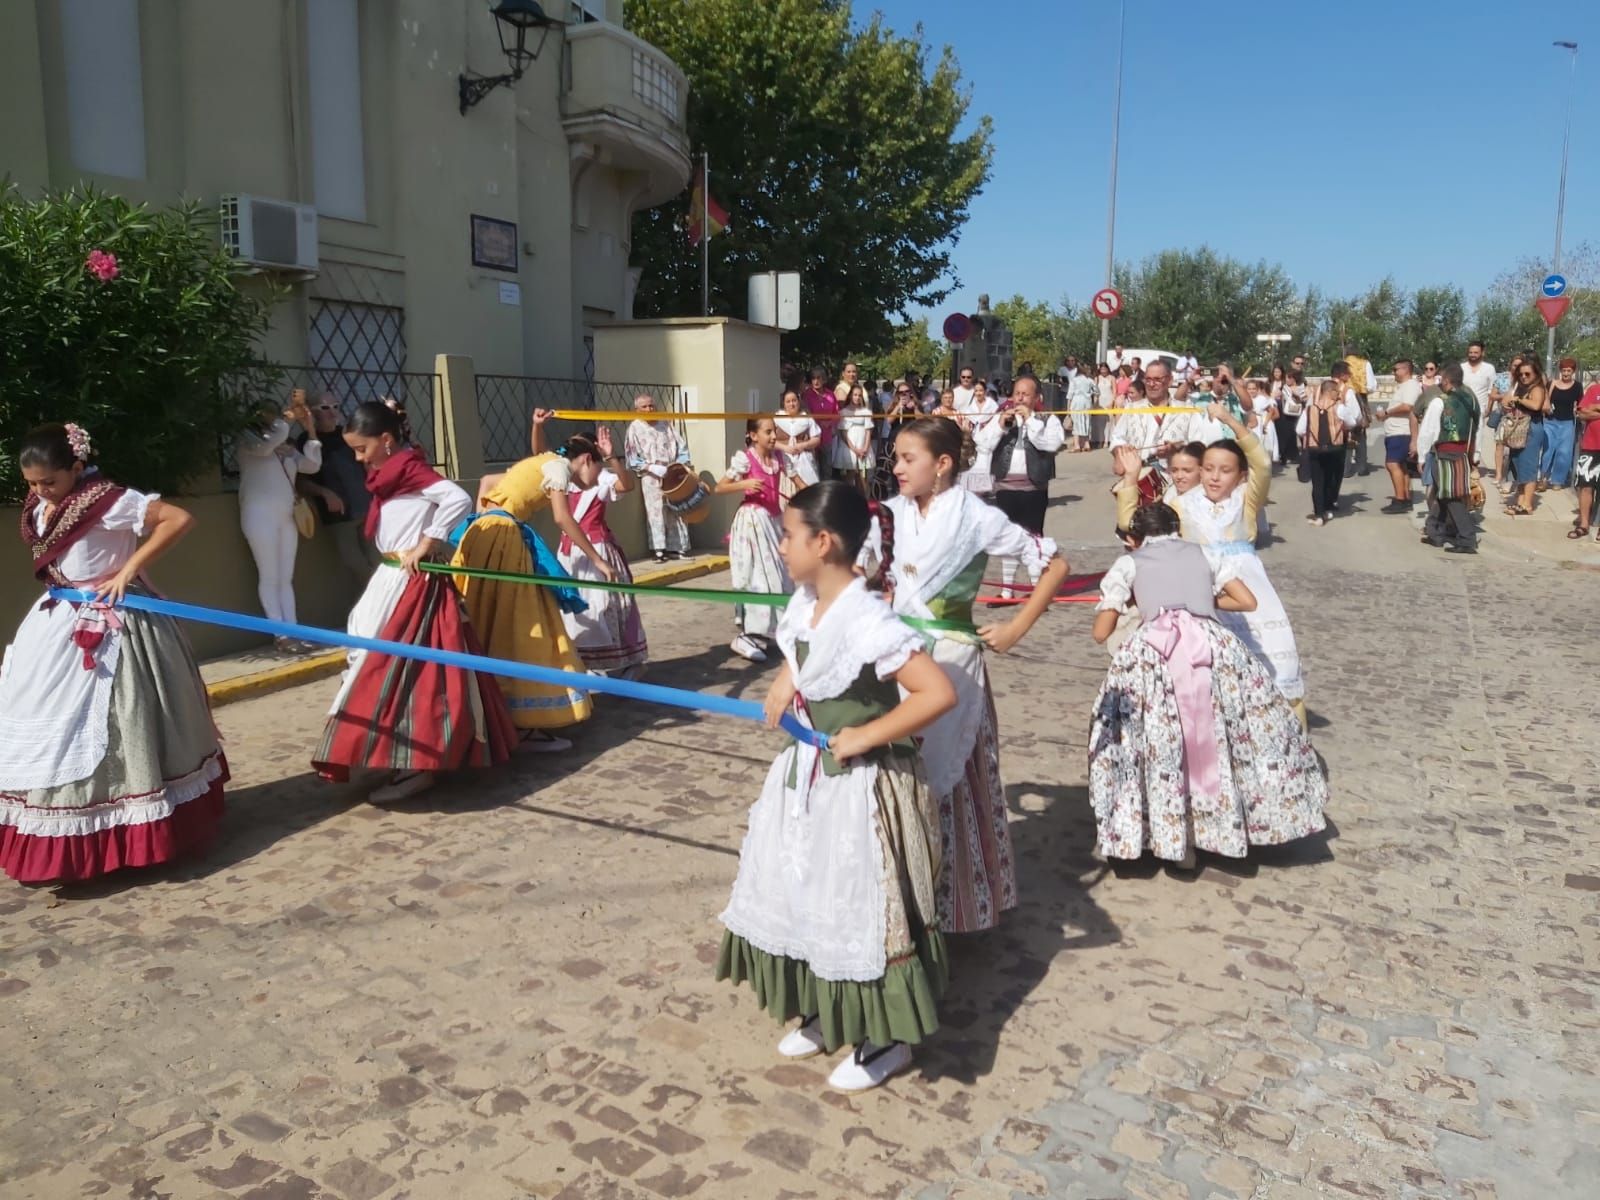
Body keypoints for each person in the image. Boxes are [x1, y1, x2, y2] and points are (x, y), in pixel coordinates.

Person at [716, 481, 956, 1093]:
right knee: (808, 888)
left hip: (863, 786)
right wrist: (780, 683)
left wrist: (867, 733)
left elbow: (936, 692)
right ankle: (828, 1007)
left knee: (862, 902)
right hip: (810, 778)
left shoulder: (867, 618)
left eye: (789, 535)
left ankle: (888, 1035)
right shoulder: (806, 601)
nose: (780, 545)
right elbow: (803, 654)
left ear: (822, 543)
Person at [0, 423, 226, 883]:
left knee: (123, 720)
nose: (41, 491)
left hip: (114, 623)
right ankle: (60, 837)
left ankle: (131, 833)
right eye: (32, 484)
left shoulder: (109, 500)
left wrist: (129, 569)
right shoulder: (44, 505)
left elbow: (177, 519)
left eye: (50, 481)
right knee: (44, 717)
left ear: (77, 468)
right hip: (58, 619)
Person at [880, 417, 1070, 933]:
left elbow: (1054, 565)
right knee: (893, 770)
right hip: (892, 658)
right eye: (895, 457)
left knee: (945, 774)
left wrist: (1016, 627)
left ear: (942, 465)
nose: (896, 467)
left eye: (907, 458)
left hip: (952, 660)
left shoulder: (978, 518)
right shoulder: (890, 514)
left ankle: (951, 904)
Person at [1088, 503, 1326, 868]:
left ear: (1136, 537)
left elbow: (1100, 632)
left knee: (1162, 743)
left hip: (1155, 654)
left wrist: (1137, 603)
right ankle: (1224, 827)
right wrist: (1199, 600)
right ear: (1177, 528)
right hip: (1211, 647)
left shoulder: (1130, 564)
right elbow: (1246, 600)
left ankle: (1174, 837)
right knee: (1224, 735)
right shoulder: (1206, 554)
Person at [314, 401, 517, 803]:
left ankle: (416, 764)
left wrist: (427, 542)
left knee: (410, 671)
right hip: (391, 577)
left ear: (386, 441)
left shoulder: (412, 470)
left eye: (362, 449)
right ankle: (391, 754)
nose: (358, 458)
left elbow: (457, 499)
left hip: (414, 583)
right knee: (372, 658)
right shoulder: (392, 474)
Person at [451, 408, 601, 747]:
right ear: (587, 459)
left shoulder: (544, 462)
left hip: (482, 533)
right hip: (504, 539)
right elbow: (563, 518)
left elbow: (488, 483)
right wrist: (597, 559)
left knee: (482, 618)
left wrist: (481, 521)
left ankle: (487, 710)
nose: (597, 476)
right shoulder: (559, 469)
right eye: (600, 466)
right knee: (523, 625)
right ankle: (524, 718)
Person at [1175, 404, 1307, 725]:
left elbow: (1261, 461)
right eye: (1207, 468)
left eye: (1225, 470)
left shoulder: (1246, 499)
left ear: (1241, 475)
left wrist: (1229, 420)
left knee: (1275, 665)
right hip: (1203, 594)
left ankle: (1289, 740)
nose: (1214, 477)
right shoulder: (1180, 502)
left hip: (1249, 592)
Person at [554, 428, 648, 678]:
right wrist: (537, 427)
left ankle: (623, 660)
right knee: (576, 609)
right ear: (586, 458)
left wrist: (612, 457)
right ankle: (584, 662)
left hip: (597, 548)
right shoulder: (562, 480)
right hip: (570, 554)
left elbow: (626, 485)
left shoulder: (602, 479)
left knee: (606, 606)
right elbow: (539, 456)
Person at [237, 389, 321, 647]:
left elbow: (312, 465)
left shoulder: (282, 446)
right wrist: (288, 421)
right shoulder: (248, 441)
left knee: (285, 578)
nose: (275, 421)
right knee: (269, 576)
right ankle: (280, 633)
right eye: (271, 417)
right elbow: (264, 448)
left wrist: (310, 430)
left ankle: (293, 630)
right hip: (258, 516)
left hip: (286, 518)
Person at [715, 417, 802, 662]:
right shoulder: (745, 458)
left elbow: (800, 484)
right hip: (752, 523)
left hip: (774, 522)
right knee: (757, 577)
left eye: (774, 431)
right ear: (753, 435)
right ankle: (747, 635)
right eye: (768, 432)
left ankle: (772, 631)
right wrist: (744, 483)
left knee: (783, 576)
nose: (773, 436)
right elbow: (719, 487)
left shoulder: (780, 459)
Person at [974, 375, 1065, 597]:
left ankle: (1037, 591)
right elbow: (983, 444)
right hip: (1005, 487)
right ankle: (1007, 591)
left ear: (1036, 397)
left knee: (1034, 537)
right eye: (1017, 393)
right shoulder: (1000, 416)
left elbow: (1051, 444)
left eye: (1025, 394)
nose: (1020, 398)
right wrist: (1000, 426)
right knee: (1008, 538)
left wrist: (1031, 421)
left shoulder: (1048, 419)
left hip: (1034, 488)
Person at [296, 392, 381, 580]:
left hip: (365, 508)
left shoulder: (348, 436)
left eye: (336, 407)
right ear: (312, 412)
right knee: (354, 562)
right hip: (339, 516)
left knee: (377, 559)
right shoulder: (306, 441)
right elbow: (301, 480)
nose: (332, 412)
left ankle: (388, 603)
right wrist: (324, 493)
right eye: (325, 408)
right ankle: (380, 600)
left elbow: (370, 463)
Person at [1418, 365, 1480, 554]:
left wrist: (1421, 455)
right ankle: (1434, 531)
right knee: (1442, 493)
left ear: (1446, 381)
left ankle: (1467, 538)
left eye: (1441, 380)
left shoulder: (1440, 402)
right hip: (1462, 452)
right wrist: (1475, 454)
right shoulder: (1472, 401)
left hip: (1444, 453)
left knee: (1451, 496)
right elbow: (1478, 428)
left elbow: (1428, 431)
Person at [623, 393, 691, 564]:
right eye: (644, 406)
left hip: (671, 471)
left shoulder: (665, 424)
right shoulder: (635, 428)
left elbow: (681, 446)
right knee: (655, 511)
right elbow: (632, 456)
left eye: (651, 406)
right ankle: (659, 548)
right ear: (637, 410)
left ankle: (678, 546)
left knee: (676, 507)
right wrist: (650, 467)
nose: (649, 409)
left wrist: (681, 466)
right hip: (651, 474)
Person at [1298, 370, 1362, 524]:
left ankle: (1318, 515)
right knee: (1330, 479)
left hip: (1314, 449)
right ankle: (1327, 509)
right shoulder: (1339, 408)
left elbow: (1299, 430)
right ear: (1331, 391)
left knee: (1317, 482)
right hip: (1334, 449)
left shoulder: (1310, 408)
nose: (1338, 395)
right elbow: (1352, 423)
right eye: (1337, 392)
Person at [1502, 360, 1549, 516]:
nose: (1523, 376)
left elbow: (1536, 405)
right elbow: (1505, 401)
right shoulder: (1518, 387)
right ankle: (1520, 501)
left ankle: (1527, 504)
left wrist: (1519, 400)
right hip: (1518, 430)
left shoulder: (1537, 388)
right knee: (1518, 465)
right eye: (1520, 374)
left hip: (1532, 429)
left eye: (1527, 374)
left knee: (1529, 465)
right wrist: (1511, 400)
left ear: (1535, 373)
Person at [1378, 360, 1422, 511]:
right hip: (1396, 432)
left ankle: (1400, 499)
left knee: (1392, 464)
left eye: (1395, 369)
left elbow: (1408, 406)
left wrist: (1386, 412)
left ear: (1405, 370)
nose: (1393, 372)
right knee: (1401, 466)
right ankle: (1405, 497)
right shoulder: (1405, 386)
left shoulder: (1411, 385)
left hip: (1401, 432)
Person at [1542, 358, 1581, 491]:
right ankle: (1543, 477)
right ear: (1560, 371)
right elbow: (1545, 398)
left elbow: (1581, 403)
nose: (1566, 373)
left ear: (1573, 372)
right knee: (1547, 451)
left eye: (1568, 371)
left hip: (1567, 423)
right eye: (1564, 370)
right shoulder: (1552, 383)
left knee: (1564, 452)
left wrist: (1578, 410)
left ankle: (1558, 480)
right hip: (1550, 421)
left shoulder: (1577, 386)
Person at [1460, 341, 1497, 480]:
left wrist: (1489, 408)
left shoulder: (1489, 368)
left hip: (1479, 409)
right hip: (1462, 409)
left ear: (1482, 353)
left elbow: (1492, 389)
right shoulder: (1461, 367)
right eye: (1470, 352)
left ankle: (1474, 465)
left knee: (1477, 437)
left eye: (1476, 352)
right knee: (1462, 437)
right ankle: (1462, 465)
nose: (1473, 355)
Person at [832, 383, 876, 496]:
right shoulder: (843, 412)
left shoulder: (866, 412)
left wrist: (865, 448)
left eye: (859, 395)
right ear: (851, 396)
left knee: (863, 477)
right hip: (850, 448)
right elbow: (843, 433)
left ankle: (864, 501)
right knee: (849, 476)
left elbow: (868, 430)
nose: (857, 397)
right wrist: (855, 450)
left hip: (863, 447)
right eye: (855, 395)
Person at [775, 388, 823, 487]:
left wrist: (804, 445)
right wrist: (784, 448)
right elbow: (769, 441)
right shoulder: (776, 418)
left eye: (794, 401)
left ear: (798, 401)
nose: (791, 404)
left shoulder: (806, 418)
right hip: (784, 460)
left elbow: (817, 438)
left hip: (804, 460)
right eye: (788, 401)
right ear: (784, 404)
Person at [1572, 378, 1600, 540]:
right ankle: (1583, 524)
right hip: (1590, 446)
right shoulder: (1594, 390)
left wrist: (1595, 409)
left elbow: (1589, 412)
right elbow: (1581, 413)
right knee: (1585, 486)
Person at [1343, 345, 1376, 476]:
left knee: (1346, 432)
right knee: (1361, 432)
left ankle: (1345, 469)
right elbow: (1372, 386)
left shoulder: (1342, 363)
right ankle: (1362, 466)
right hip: (1360, 398)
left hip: (1344, 397)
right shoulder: (1365, 364)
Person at [1277, 368, 1307, 466]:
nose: (1287, 380)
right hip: (1287, 414)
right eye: (1286, 378)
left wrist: (1296, 394)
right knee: (1287, 435)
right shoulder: (1285, 387)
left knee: (1301, 433)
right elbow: (1286, 397)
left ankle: (1303, 455)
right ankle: (1284, 456)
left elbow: (1303, 398)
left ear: (1294, 379)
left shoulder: (1302, 387)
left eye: (1289, 378)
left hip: (1299, 414)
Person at [1068, 366, 1097, 452]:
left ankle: (1077, 445)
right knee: (1086, 422)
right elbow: (1097, 392)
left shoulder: (1074, 380)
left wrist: (1068, 408)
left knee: (1076, 423)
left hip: (1076, 401)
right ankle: (1086, 444)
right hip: (1087, 402)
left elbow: (1070, 395)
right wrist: (1091, 397)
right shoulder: (1090, 380)